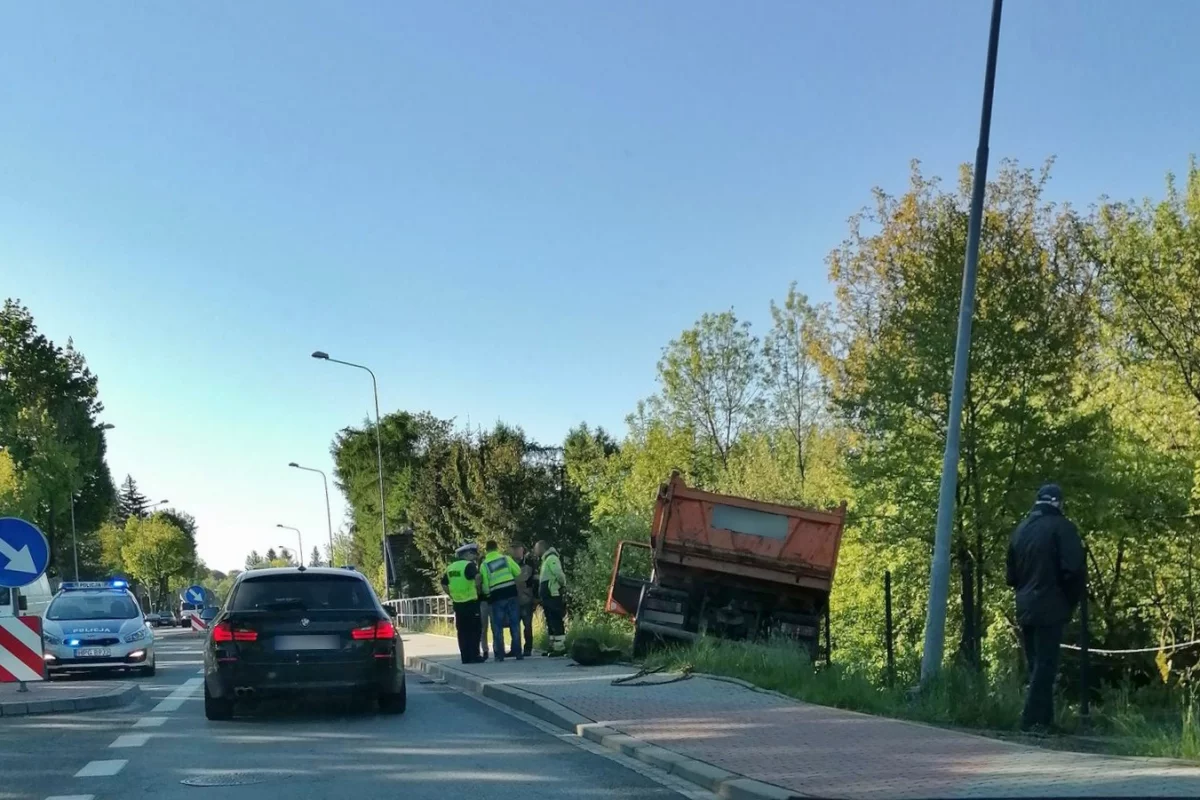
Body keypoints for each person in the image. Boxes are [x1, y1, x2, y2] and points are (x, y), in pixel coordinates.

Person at [1006, 483, 1086, 732]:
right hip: (1051, 604)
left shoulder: (1021, 530)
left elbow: (1011, 576)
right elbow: (1073, 570)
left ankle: (1045, 721)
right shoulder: (1063, 528)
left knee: (1036, 665)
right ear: (1059, 503)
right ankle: (1030, 720)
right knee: (1046, 665)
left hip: (1024, 604)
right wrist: (1071, 600)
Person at [480, 540, 523, 661]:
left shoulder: (484, 564)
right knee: (514, 624)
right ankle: (518, 653)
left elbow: (485, 585)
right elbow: (518, 571)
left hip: (497, 597)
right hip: (511, 593)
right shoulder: (506, 559)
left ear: (486, 550)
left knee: (497, 626)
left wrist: (488, 595)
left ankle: (500, 655)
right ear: (497, 548)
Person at [440, 543, 483, 664]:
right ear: (468, 554)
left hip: (458, 603)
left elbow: (443, 584)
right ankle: (474, 655)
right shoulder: (469, 565)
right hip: (471, 602)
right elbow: (478, 577)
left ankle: (465, 657)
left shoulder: (451, 567)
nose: (475, 557)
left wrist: (452, 595)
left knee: (462, 631)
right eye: (473, 554)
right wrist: (478, 589)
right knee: (474, 630)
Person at [534, 539, 568, 656]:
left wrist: (562, 585)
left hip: (553, 594)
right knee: (550, 620)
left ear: (542, 548)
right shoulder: (545, 560)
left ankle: (560, 647)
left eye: (536, 548)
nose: (535, 551)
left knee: (555, 619)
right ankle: (553, 646)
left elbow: (558, 574)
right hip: (547, 595)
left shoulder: (552, 559)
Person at [511, 543, 536, 658]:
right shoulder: (509, 564)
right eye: (514, 550)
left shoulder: (529, 564)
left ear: (523, 551)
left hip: (526, 598)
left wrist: (535, 598)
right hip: (513, 599)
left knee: (527, 625)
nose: (516, 552)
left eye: (518, 550)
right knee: (514, 625)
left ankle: (528, 648)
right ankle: (515, 649)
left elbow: (531, 580)